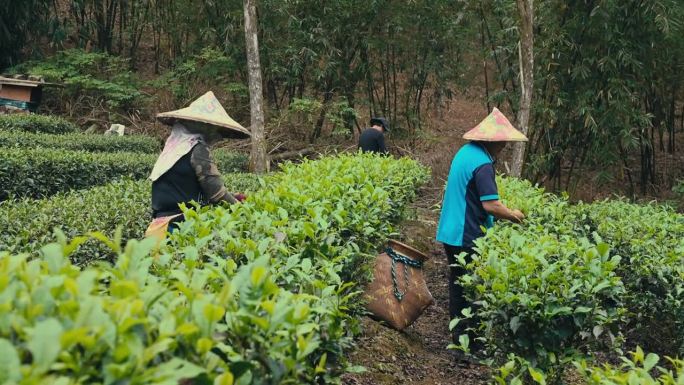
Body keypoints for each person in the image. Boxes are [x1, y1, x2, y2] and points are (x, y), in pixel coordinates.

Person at [436, 107, 527, 351]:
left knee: (458, 285)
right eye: (503, 141)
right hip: (465, 233)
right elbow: (491, 205)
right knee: (470, 288)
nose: (505, 145)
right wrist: (514, 216)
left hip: (451, 231)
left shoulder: (466, 152)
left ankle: (459, 340)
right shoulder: (483, 163)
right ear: (493, 141)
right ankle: (470, 346)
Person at [145, 91, 251, 240]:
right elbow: (217, 194)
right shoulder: (197, 149)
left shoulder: (175, 150)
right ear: (201, 126)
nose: (216, 134)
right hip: (181, 227)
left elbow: (187, 188)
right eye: (213, 128)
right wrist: (246, 211)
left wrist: (234, 196)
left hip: (158, 228)